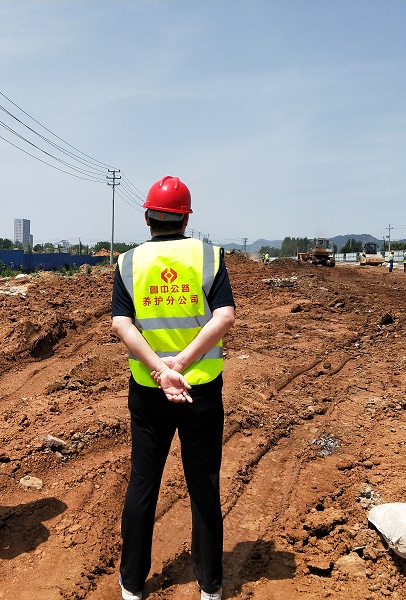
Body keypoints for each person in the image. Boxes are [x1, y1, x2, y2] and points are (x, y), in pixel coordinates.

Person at [112, 176, 235, 600]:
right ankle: (210, 586)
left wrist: (160, 370)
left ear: (147, 218)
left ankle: (132, 585)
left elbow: (121, 324)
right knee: (204, 485)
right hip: (201, 389)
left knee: (143, 482)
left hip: (149, 391)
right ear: (185, 218)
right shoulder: (209, 256)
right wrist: (180, 365)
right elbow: (224, 317)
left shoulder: (128, 263)